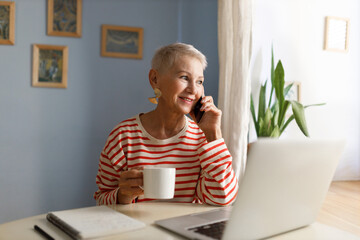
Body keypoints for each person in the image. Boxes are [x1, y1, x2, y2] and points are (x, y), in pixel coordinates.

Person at [94, 42, 238, 206]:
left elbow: (223, 199)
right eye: (184, 77)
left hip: (183, 229)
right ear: (155, 79)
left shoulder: (204, 140)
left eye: (199, 81)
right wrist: (122, 195)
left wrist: (214, 133)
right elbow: (101, 201)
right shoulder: (122, 137)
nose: (193, 89)